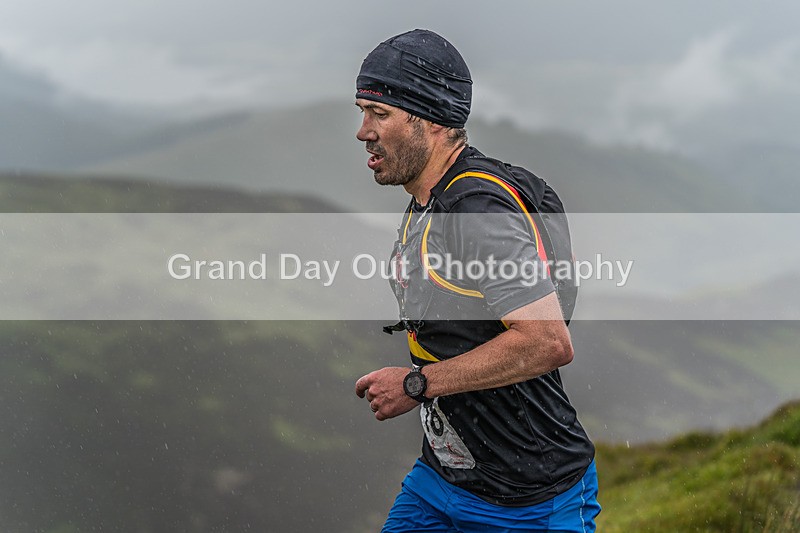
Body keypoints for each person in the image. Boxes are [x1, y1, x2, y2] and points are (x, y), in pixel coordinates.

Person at [353, 29, 600, 533]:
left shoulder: (476, 210)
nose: (363, 131)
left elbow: (548, 342)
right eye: (362, 112)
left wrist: (417, 384)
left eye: (379, 114)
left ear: (430, 120)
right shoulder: (430, 198)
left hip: (531, 502)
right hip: (441, 483)